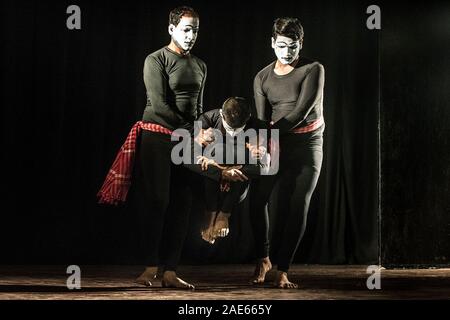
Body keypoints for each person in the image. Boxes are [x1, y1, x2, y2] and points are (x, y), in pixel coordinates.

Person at [98, 6, 205, 290]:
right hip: (158, 136)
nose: (191, 35)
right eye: (185, 29)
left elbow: (198, 107)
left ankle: (170, 271)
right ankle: (149, 267)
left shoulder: (200, 65)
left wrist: (201, 130)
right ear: (171, 29)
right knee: (159, 201)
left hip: (187, 140)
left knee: (182, 204)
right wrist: (193, 132)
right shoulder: (155, 60)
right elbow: (159, 106)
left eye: (195, 29)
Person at [249, 17, 325, 289]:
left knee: (297, 204)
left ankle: (283, 270)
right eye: (282, 45)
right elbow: (260, 120)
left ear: (300, 44)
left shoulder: (313, 69)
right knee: (257, 201)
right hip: (276, 142)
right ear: (272, 43)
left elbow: (299, 113)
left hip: (307, 144)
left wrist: (266, 134)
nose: (287, 52)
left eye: (293, 46)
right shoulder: (262, 77)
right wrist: (259, 141)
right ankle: (264, 258)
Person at [193, 97, 270, 244]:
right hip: (209, 182)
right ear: (222, 114)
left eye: (238, 128)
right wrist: (200, 146)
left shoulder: (257, 126)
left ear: (248, 118)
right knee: (210, 156)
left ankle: (224, 214)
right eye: (230, 128)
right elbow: (190, 154)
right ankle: (210, 212)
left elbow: (265, 167)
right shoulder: (207, 119)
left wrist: (261, 153)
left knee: (246, 161)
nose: (233, 133)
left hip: (237, 186)